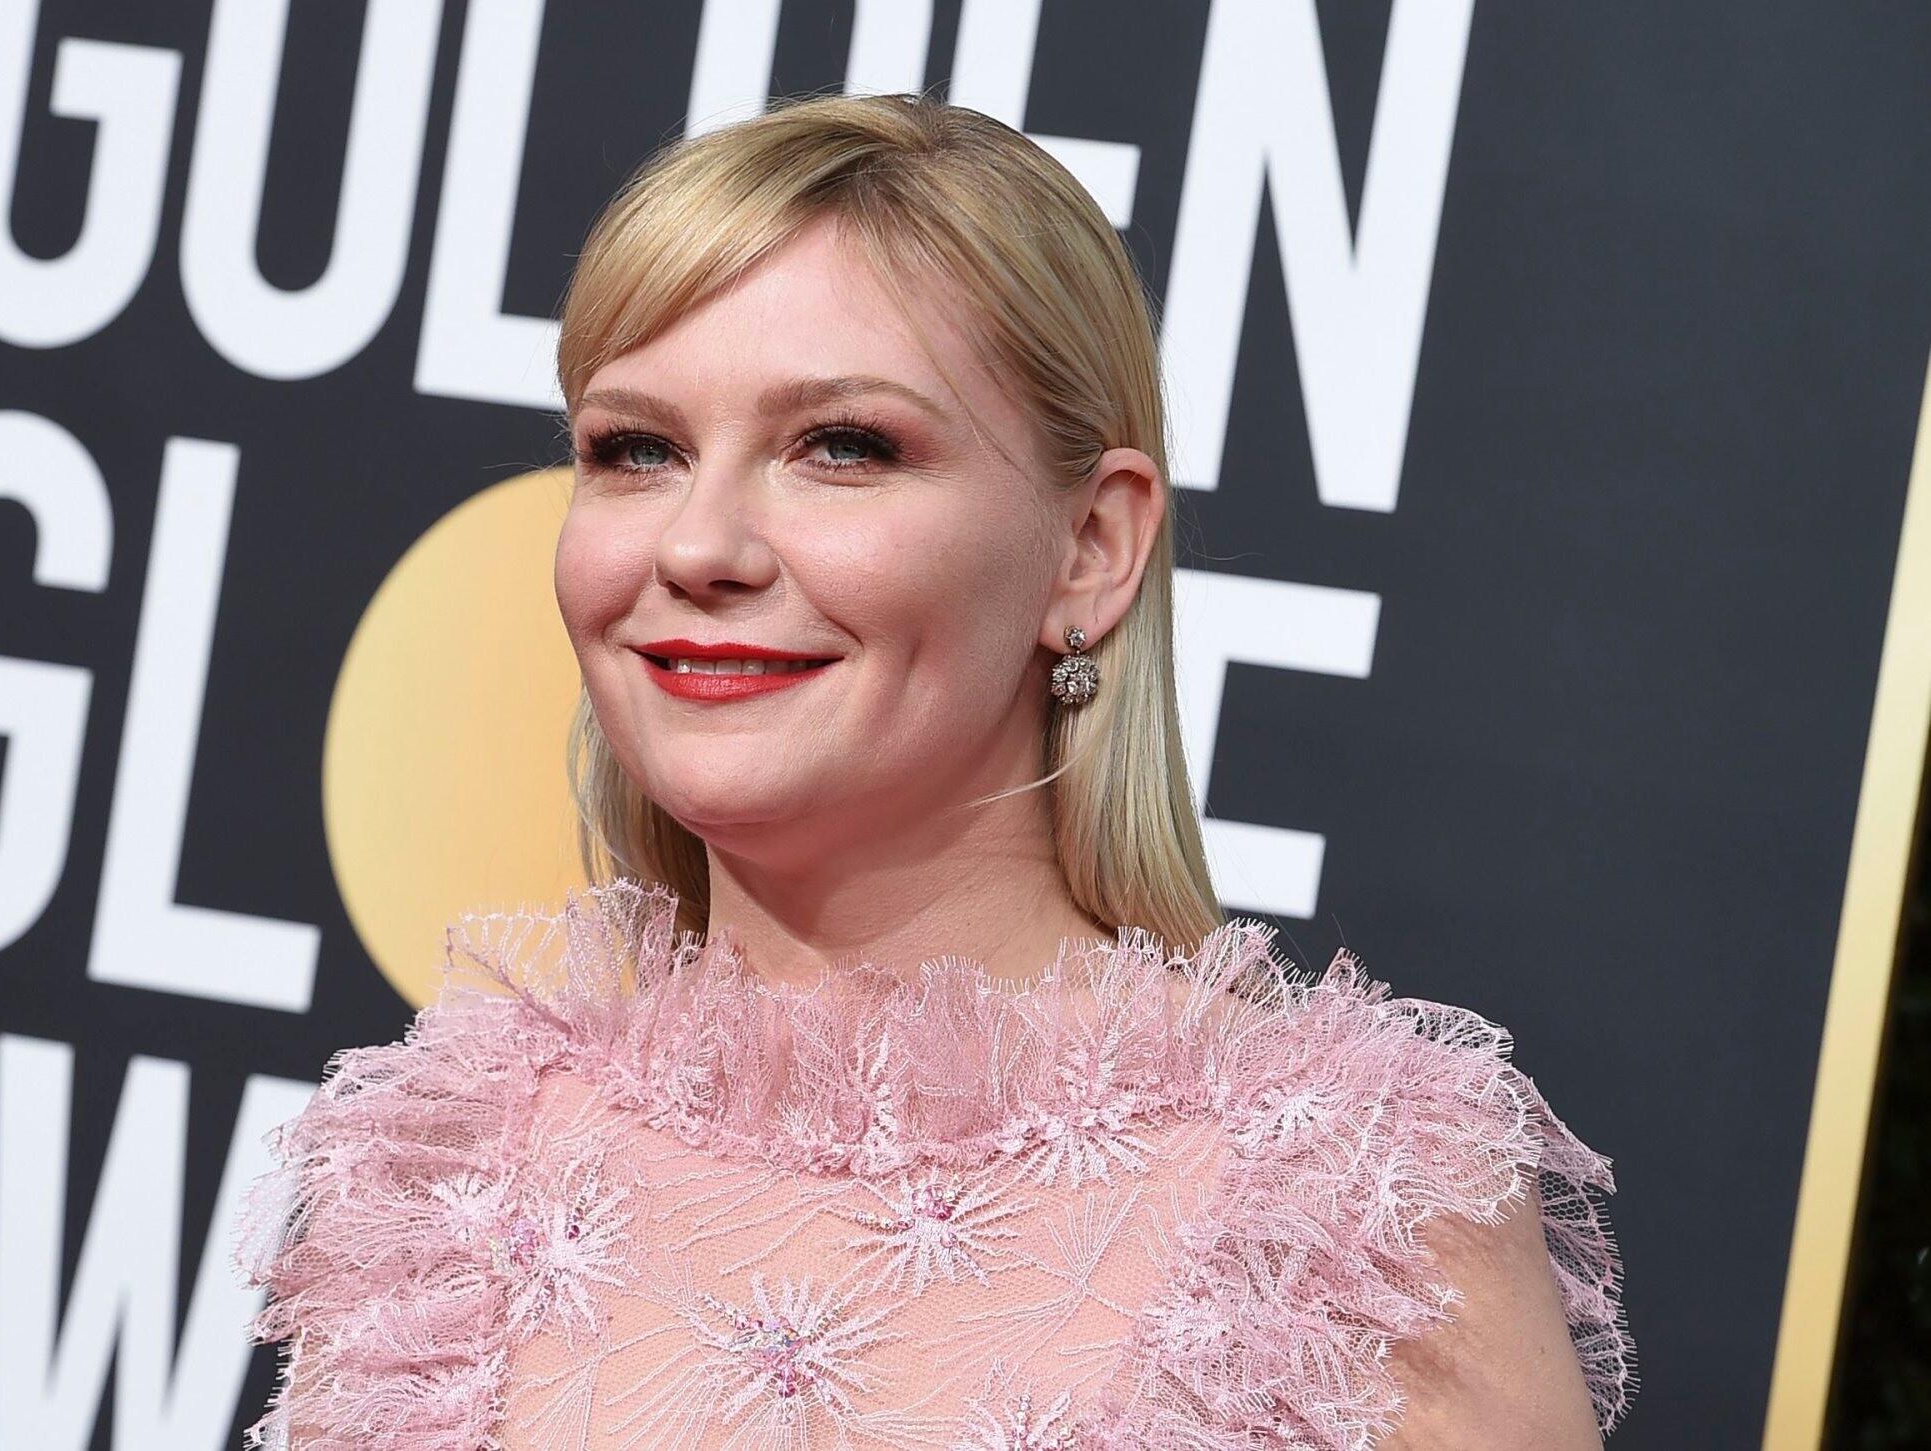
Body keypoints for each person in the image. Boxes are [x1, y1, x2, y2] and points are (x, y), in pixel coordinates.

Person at [237, 92, 1634, 1449]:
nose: (697, 545)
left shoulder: (1350, 1211)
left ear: (1091, 549)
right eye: (635, 450)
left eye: (842, 447)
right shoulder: (444, 1178)